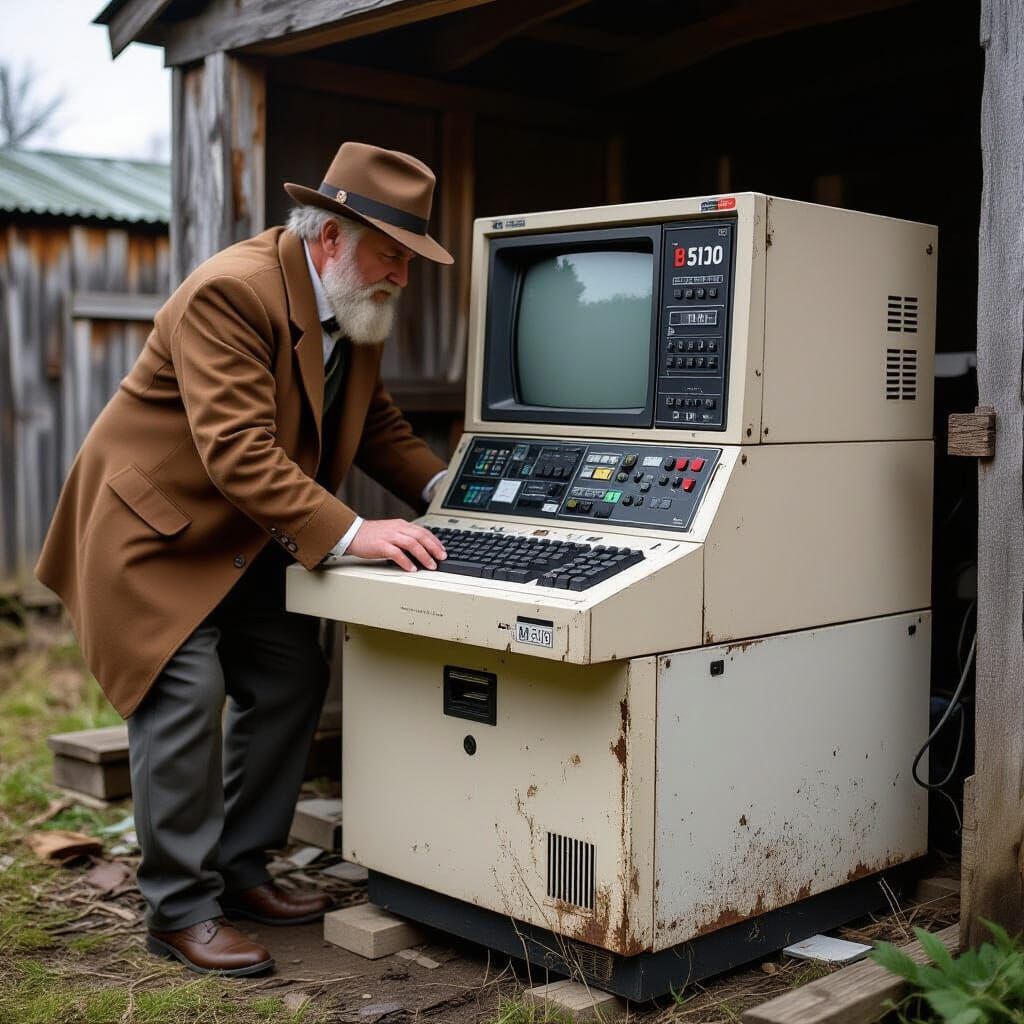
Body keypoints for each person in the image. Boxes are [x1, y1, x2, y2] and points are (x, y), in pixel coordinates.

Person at [35, 141, 451, 976]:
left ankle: (239, 868)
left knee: (293, 672)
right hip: (152, 537)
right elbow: (237, 449)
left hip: (243, 535)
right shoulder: (233, 291)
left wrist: (448, 490)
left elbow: (376, 430)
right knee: (188, 692)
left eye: (409, 261)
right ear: (331, 236)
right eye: (391, 256)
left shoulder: (354, 305)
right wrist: (353, 532)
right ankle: (179, 911)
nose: (401, 277)